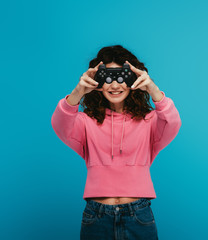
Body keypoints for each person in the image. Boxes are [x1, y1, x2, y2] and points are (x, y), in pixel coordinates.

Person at [51, 45, 182, 240]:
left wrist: (153, 89)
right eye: (107, 79)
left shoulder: (149, 121)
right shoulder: (87, 122)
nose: (114, 85)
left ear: (132, 80)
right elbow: (60, 124)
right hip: (96, 214)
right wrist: (78, 91)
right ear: (97, 82)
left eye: (121, 78)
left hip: (138, 214)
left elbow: (172, 123)